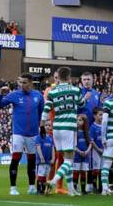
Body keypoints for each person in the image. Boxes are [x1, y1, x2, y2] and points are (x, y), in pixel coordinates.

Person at [0, 73, 45, 195]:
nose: (22, 85)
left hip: (33, 133)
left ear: (31, 83)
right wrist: (0, 94)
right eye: (20, 82)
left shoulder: (38, 95)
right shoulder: (14, 95)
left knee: (32, 160)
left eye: (25, 82)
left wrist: (41, 127)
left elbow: (42, 113)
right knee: (15, 159)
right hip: (18, 133)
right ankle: (13, 187)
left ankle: (32, 186)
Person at [43, 67, 83, 196]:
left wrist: (42, 125)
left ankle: (71, 190)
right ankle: (53, 181)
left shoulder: (53, 91)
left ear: (58, 77)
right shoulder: (76, 90)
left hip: (56, 128)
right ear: (69, 77)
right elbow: (81, 104)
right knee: (69, 160)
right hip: (69, 127)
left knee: (66, 159)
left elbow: (46, 109)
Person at [73, 114, 92, 195]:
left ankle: (83, 190)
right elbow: (73, 145)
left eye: (80, 120)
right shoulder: (74, 132)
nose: (78, 122)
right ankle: (75, 188)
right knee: (76, 171)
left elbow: (90, 143)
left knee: (83, 172)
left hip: (85, 155)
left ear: (84, 122)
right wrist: (79, 151)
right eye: (77, 120)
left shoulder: (86, 132)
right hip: (77, 155)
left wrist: (87, 151)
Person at [35, 125, 55, 195]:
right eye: (46, 125)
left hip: (48, 161)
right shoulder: (39, 137)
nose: (47, 127)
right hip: (41, 161)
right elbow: (38, 147)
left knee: (45, 175)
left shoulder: (50, 138)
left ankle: (43, 189)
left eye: (49, 125)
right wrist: (41, 158)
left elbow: (52, 149)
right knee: (40, 174)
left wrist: (53, 158)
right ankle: (38, 190)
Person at [88, 107, 104, 194]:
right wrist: (98, 150)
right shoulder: (93, 127)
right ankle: (94, 187)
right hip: (95, 151)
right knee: (96, 170)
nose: (102, 117)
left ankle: (101, 187)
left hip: (104, 151)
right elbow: (91, 140)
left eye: (103, 115)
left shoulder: (105, 126)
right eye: (100, 115)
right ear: (94, 116)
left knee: (102, 169)